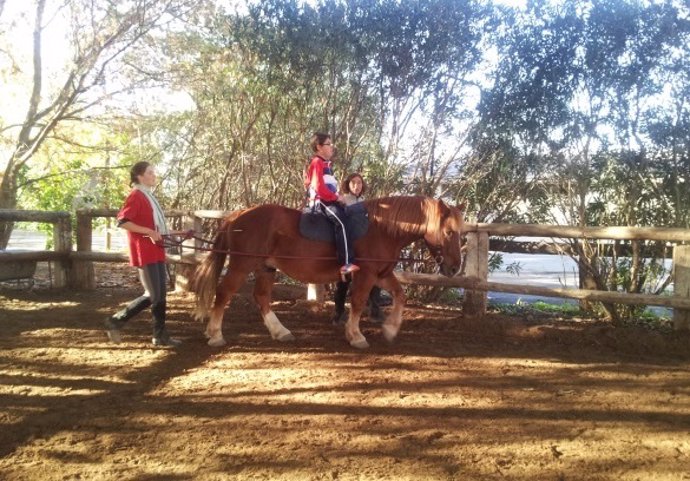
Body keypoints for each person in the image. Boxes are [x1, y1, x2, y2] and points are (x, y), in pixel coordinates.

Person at [103, 161, 182, 347]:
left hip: (155, 250)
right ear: (139, 176)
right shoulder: (136, 196)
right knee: (153, 294)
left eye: (154, 172)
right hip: (144, 251)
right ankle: (115, 321)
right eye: (150, 172)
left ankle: (160, 335)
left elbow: (155, 227)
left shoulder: (148, 196)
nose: (154, 175)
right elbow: (123, 222)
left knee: (160, 294)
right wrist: (148, 232)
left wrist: (175, 233)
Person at [331, 172, 387, 325]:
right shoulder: (343, 201)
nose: (357, 186)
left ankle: (375, 310)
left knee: (374, 277)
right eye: (353, 183)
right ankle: (338, 313)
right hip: (348, 247)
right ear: (348, 185)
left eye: (359, 183)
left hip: (364, 248)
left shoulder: (365, 202)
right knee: (344, 281)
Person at [305, 132, 359, 275]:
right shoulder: (317, 162)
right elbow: (319, 188)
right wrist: (336, 198)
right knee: (341, 222)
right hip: (320, 202)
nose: (332, 147)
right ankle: (346, 263)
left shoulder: (326, 165)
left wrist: (337, 196)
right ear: (319, 147)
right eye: (329, 144)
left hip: (328, 200)